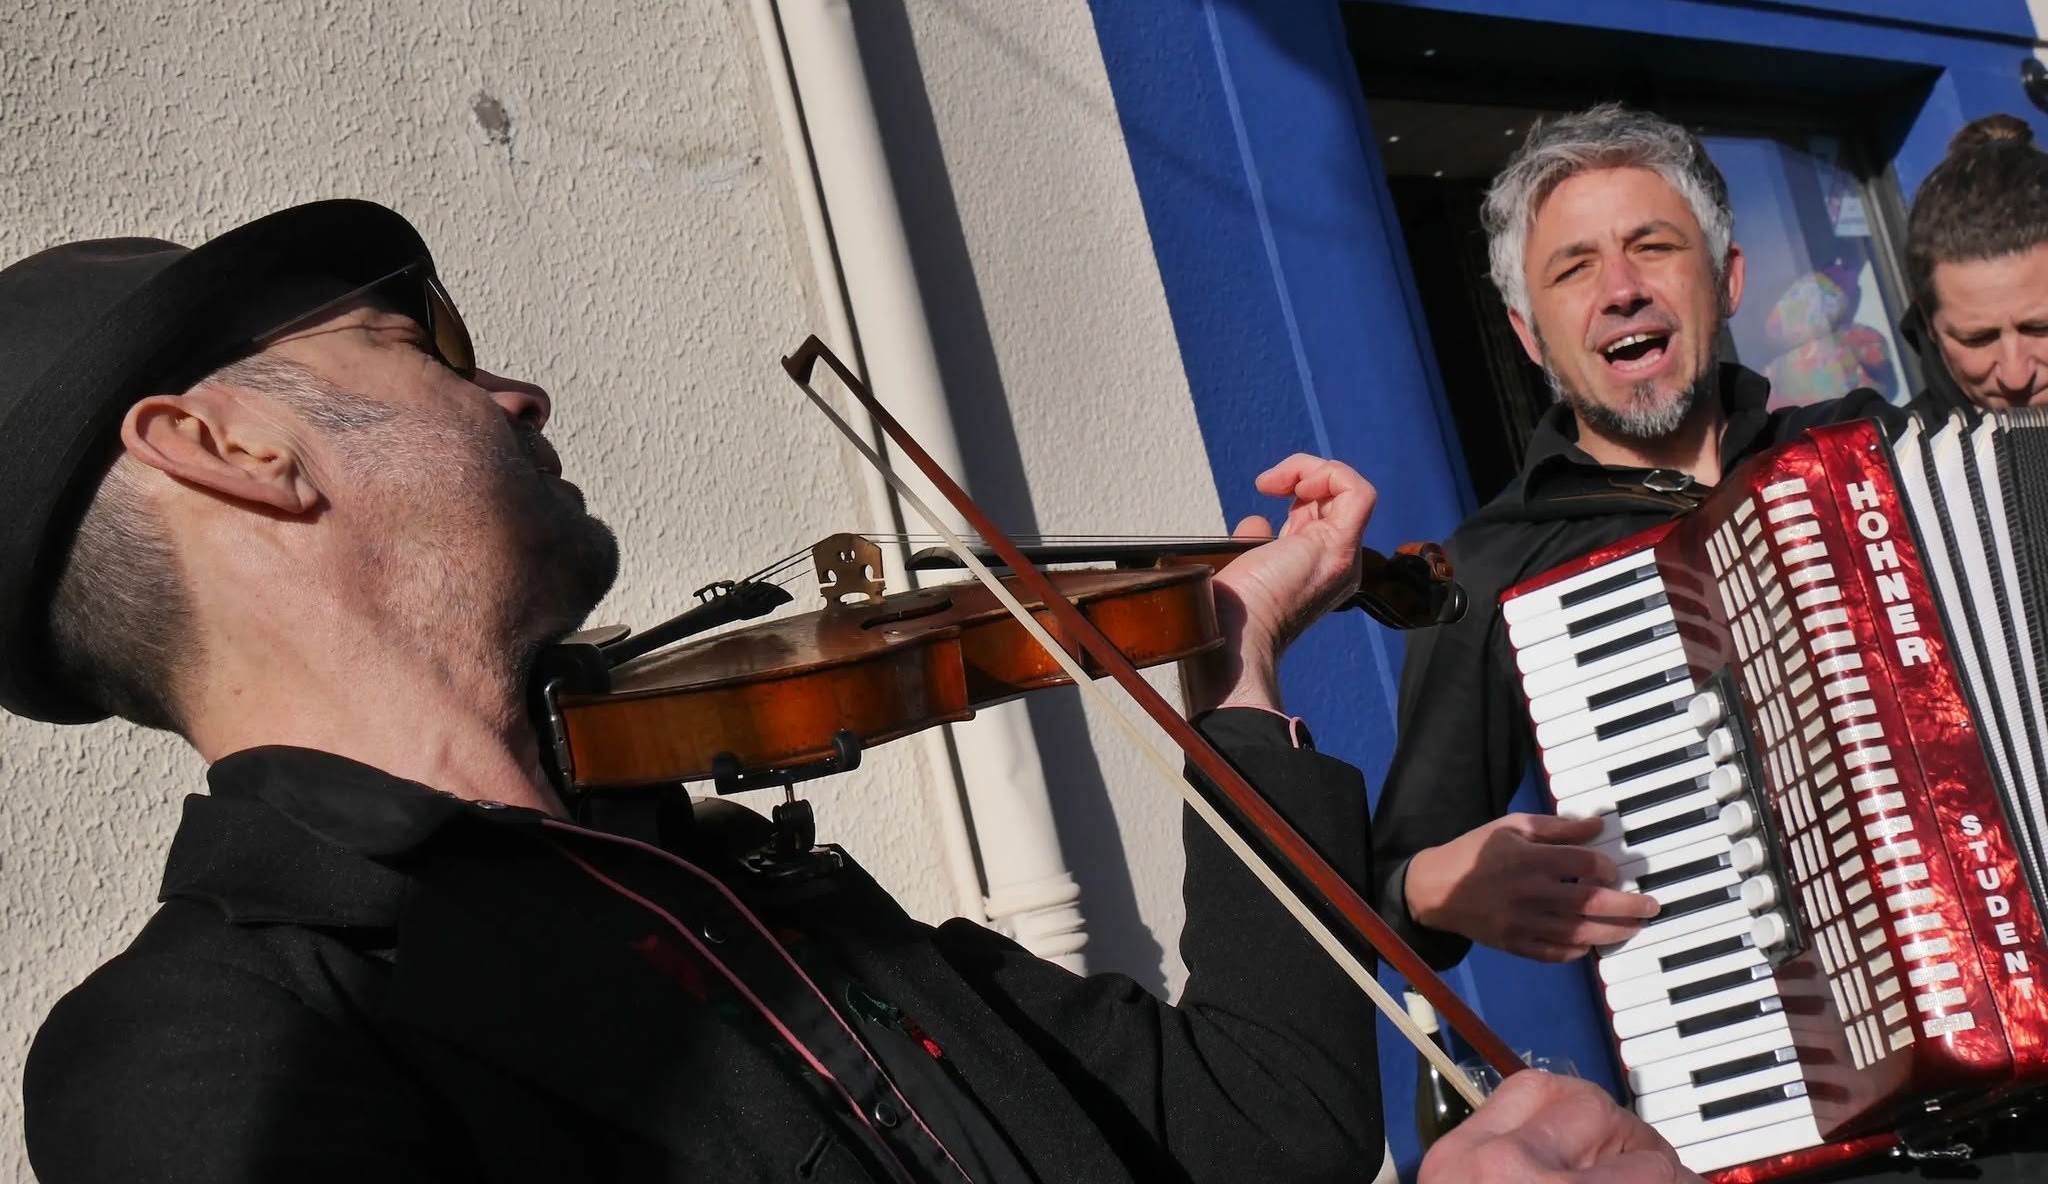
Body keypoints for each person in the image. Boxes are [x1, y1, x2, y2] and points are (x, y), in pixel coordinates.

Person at [2, 200, 1688, 1182]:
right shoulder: (201, 1056)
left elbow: (1262, 1130)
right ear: (227, 451)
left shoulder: (733, 885)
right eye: (420, 342)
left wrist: (1237, 673)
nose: (510, 388)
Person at [1373, 104, 2048, 1178]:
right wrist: (1425, 888)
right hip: (1823, 1137)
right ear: (1526, 331)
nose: (1620, 287)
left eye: (1651, 247)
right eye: (1572, 268)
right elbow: (1390, 887)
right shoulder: (1499, 569)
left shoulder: (1872, 449)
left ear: (1724, 280)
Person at [1902, 113, 2048, 413]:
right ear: (1929, 323)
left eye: (2040, 328)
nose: (2016, 376)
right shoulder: (1891, 457)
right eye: (1978, 339)